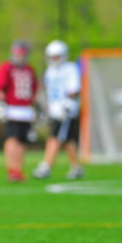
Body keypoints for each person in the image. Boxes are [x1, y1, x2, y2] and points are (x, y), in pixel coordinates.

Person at [32, 40, 85, 180]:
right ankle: (77, 167)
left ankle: (46, 167)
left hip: (66, 110)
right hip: (55, 110)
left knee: (54, 137)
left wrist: (65, 104)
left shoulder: (70, 69)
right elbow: (49, 91)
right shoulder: (50, 71)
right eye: (52, 56)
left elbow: (74, 90)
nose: (54, 59)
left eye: (57, 56)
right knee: (67, 140)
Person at [0, 40, 39, 182]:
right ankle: (11, 170)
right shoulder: (6, 67)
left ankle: (18, 169)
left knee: (22, 141)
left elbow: (35, 89)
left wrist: (35, 106)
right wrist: (1, 104)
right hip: (12, 109)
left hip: (26, 111)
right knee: (12, 139)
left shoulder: (29, 69)